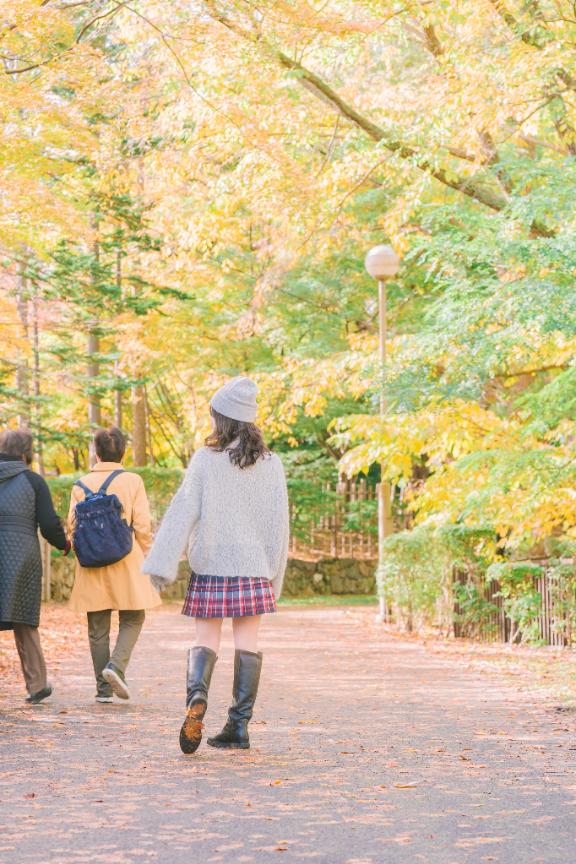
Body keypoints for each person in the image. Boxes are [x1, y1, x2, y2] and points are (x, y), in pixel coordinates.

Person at [143, 376, 289, 754]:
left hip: (212, 565)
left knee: (205, 640)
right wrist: (274, 576)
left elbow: (181, 512)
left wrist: (160, 563)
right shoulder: (272, 465)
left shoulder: (205, 461)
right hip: (254, 567)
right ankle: (238, 727)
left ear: (221, 419)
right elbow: (279, 526)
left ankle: (197, 698)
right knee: (248, 643)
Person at [68, 427, 161, 703]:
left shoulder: (79, 484)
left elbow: (72, 526)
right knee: (134, 616)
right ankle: (116, 666)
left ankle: (103, 689)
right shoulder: (132, 481)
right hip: (126, 559)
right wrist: (148, 555)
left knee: (97, 627)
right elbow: (142, 525)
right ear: (123, 453)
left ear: (97, 453)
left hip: (91, 563)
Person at [0, 428, 70, 703]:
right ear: (25, 452)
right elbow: (49, 523)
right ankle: (37, 684)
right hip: (22, 554)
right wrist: (63, 544)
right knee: (23, 618)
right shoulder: (33, 481)